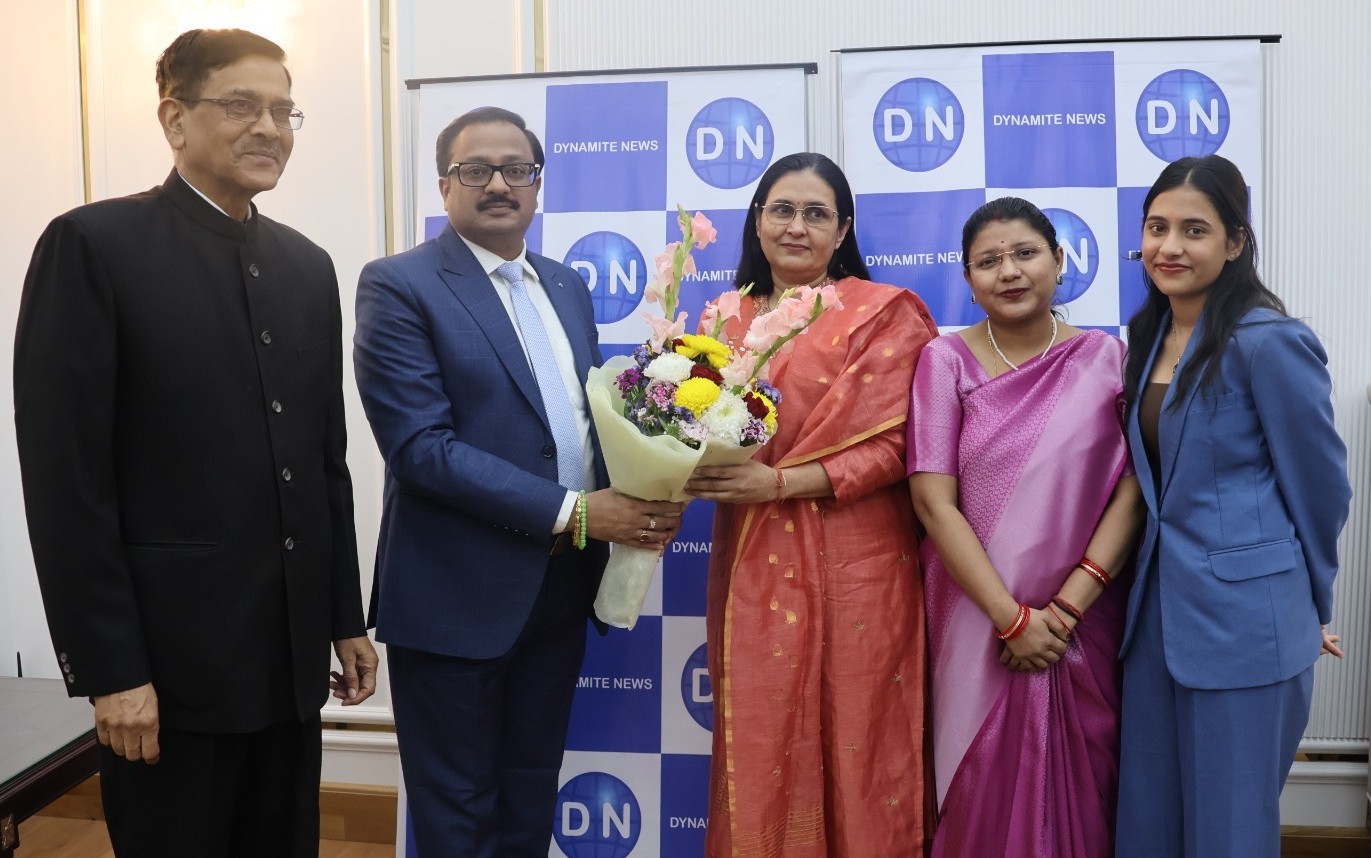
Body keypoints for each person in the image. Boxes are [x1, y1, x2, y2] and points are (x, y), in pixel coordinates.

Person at [13, 28, 377, 854]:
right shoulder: (93, 245)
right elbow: (67, 484)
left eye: (284, 110)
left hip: (286, 664)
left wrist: (342, 616)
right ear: (174, 119)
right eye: (242, 105)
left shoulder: (305, 265)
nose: (270, 128)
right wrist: (111, 672)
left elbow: (324, 463)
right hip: (167, 673)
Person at [352, 106, 685, 855]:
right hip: (452, 597)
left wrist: (654, 482)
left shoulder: (564, 286)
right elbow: (419, 448)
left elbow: (577, 420)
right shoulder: (399, 285)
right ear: (445, 185)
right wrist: (577, 510)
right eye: (477, 170)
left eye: (517, 170)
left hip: (557, 590)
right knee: (456, 814)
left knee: (530, 796)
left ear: (538, 185)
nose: (498, 184)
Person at [684, 152, 938, 856]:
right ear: (757, 222)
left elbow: (900, 448)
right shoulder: (718, 319)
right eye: (781, 210)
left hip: (859, 562)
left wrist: (781, 483)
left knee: (862, 732)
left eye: (815, 213)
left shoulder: (883, 313)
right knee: (764, 733)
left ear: (842, 227)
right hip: (750, 562)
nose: (796, 226)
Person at [1114, 155, 1351, 857]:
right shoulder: (1144, 337)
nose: (1169, 247)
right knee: (1146, 821)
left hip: (1246, 624)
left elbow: (1321, 487)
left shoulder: (1269, 342)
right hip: (1154, 619)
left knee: (1228, 830)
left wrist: (1310, 604)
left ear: (1234, 243)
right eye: (1156, 228)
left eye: (1193, 230)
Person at [905, 196, 1144, 857]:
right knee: (972, 782)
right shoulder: (943, 362)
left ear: (1059, 261)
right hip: (971, 618)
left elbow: (1132, 489)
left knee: (1082, 786)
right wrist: (1009, 619)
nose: (1007, 271)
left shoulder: (1106, 359)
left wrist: (1063, 611)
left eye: (1024, 253)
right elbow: (932, 502)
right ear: (967, 280)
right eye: (987, 261)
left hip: (1083, 620)